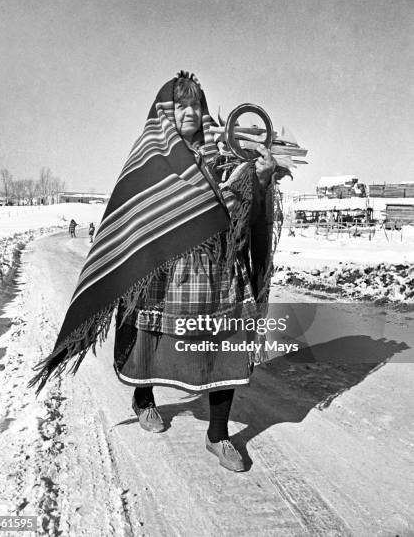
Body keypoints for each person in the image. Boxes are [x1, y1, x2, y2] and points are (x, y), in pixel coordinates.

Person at [28, 71, 282, 472]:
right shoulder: (148, 158)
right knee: (146, 338)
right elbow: (134, 216)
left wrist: (260, 177)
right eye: (181, 105)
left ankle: (218, 436)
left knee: (225, 346)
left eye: (197, 105)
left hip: (216, 273)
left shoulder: (226, 156)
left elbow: (236, 213)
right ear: (165, 112)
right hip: (163, 273)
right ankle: (143, 398)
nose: (191, 113)